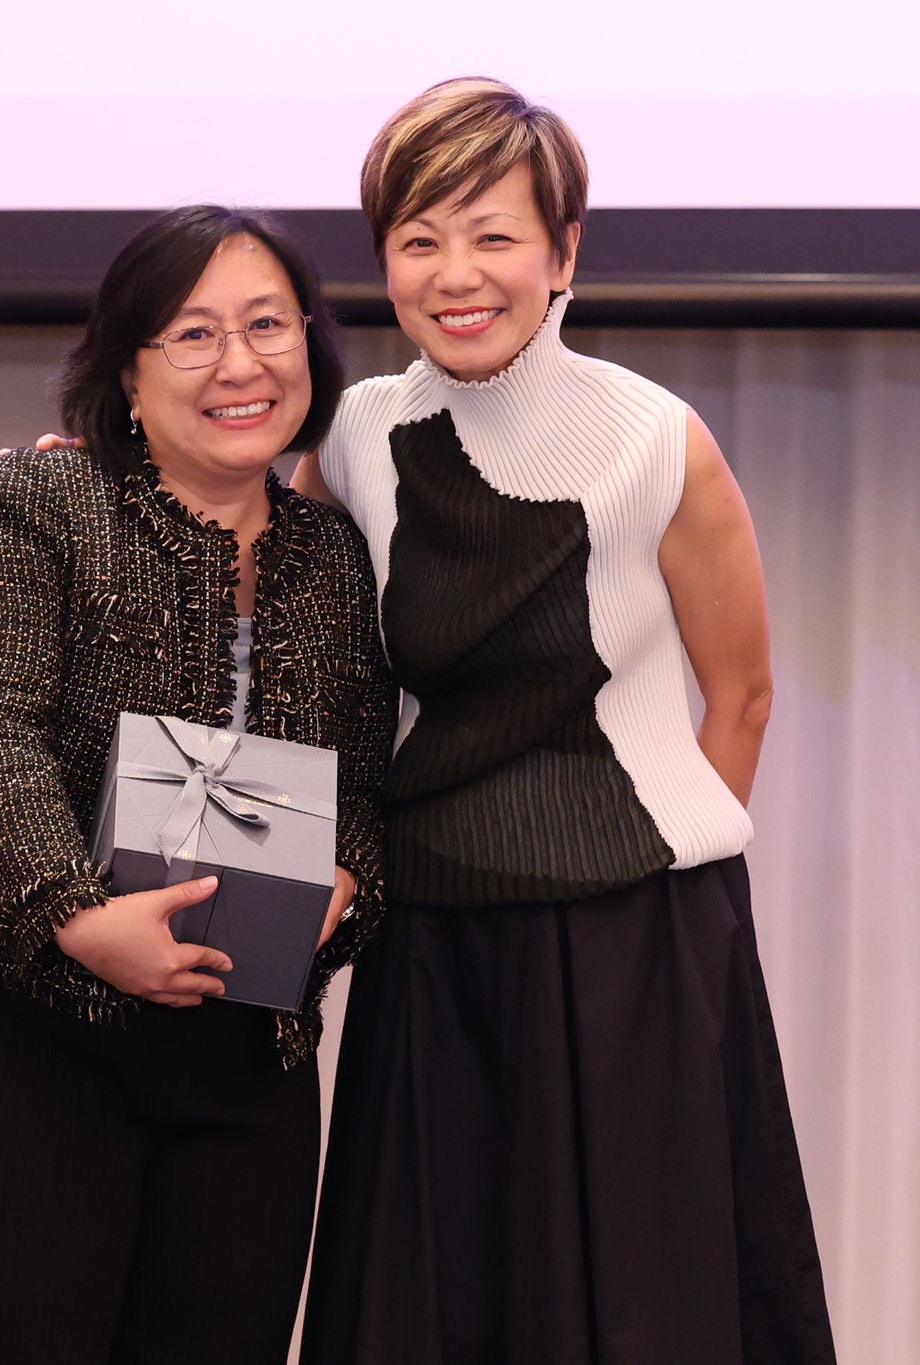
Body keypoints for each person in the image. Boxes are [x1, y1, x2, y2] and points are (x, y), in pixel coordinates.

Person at [290, 79, 839, 1363]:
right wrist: (97, 471)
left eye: (492, 235)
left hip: (633, 946)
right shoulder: (361, 433)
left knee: (646, 1310)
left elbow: (741, 695)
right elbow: (291, 636)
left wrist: (644, 874)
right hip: (433, 945)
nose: (454, 274)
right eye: (418, 239)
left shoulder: (654, 437)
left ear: (562, 251)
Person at [0, 205, 397, 1364]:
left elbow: (367, 789)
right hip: (29, 1032)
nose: (239, 364)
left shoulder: (338, 558)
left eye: (266, 325)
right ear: (127, 371)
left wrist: (349, 881)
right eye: (192, 334)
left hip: (250, 1061)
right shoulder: (44, 501)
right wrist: (77, 918)